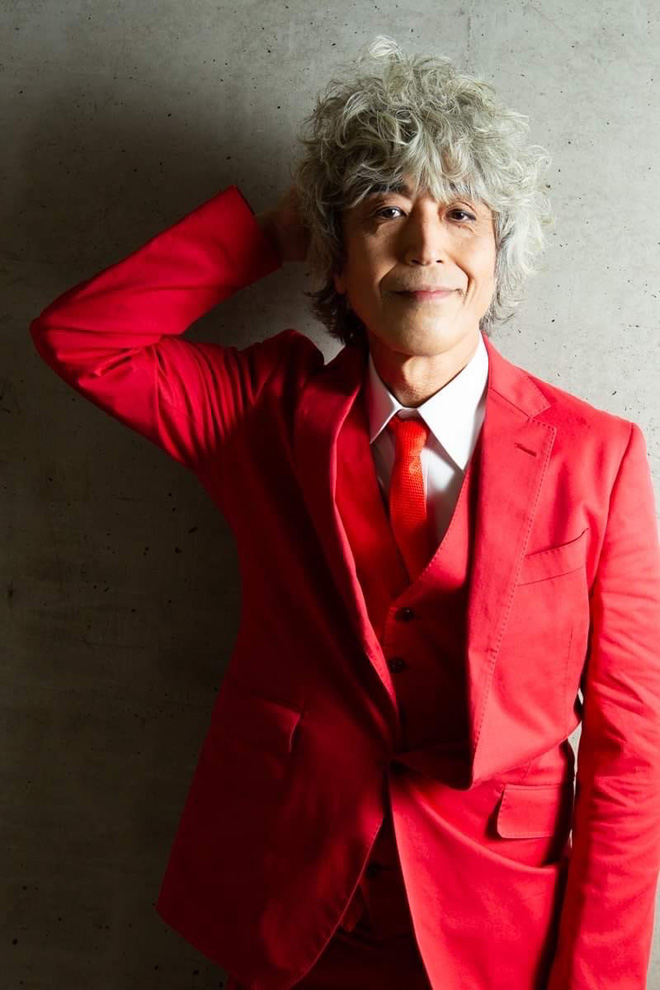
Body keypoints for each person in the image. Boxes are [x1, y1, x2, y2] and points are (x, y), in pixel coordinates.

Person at [29, 35, 660, 990]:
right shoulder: (261, 413)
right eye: (385, 212)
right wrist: (274, 232)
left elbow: (630, 752)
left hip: (500, 926)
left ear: (499, 250)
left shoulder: (596, 456)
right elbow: (82, 340)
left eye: (461, 213)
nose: (425, 247)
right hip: (296, 911)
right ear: (336, 253)